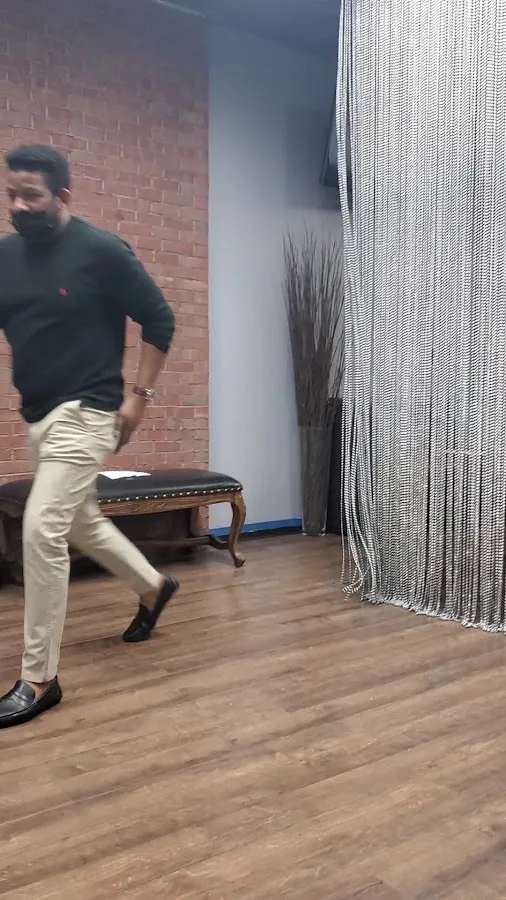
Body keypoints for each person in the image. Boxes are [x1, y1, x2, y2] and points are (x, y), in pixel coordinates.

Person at [0, 143, 179, 728]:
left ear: (62, 196)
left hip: (89, 412)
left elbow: (159, 319)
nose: (18, 206)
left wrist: (139, 397)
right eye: (11, 195)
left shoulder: (101, 252)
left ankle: (39, 678)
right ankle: (153, 587)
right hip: (39, 415)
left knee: (42, 528)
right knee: (80, 521)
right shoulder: (6, 258)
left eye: (31, 195)